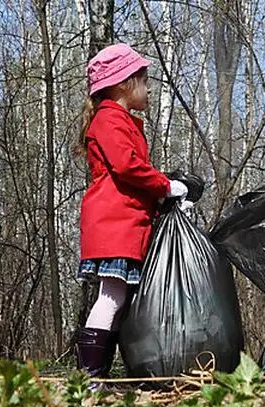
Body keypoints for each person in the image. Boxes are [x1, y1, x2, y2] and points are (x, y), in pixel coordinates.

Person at [75, 43, 192, 378]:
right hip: (115, 225)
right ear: (123, 84)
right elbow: (127, 166)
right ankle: (89, 378)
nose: (148, 88)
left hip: (123, 224)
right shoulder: (109, 119)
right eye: (143, 80)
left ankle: (96, 376)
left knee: (117, 299)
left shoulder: (118, 120)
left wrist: (162, 195)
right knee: (111, 298)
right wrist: (165, 186)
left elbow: (130, 174)